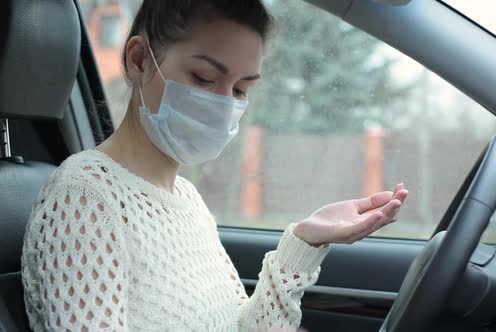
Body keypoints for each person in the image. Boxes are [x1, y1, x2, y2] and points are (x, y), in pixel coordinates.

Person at [21, 0, 409, 331]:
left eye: (241, 89)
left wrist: (304, 243)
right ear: (139, 60)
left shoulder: (186, 200)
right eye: (205, 78)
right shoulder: (85, 199)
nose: (225, 104)